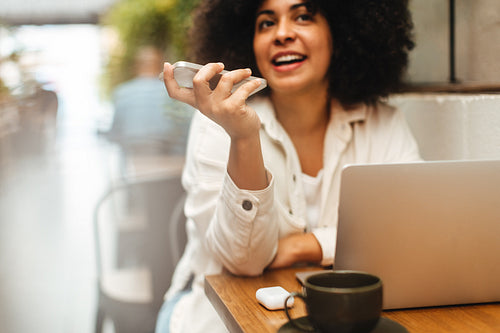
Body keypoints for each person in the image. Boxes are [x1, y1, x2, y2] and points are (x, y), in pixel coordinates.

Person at [156, 0, 421, 332]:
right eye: (266, 23)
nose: (282, 34)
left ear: (339, 32)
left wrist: (302, 246)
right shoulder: (218, 122)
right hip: (215, 318)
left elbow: (411, 233)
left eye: (303, 17)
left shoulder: (384, 123)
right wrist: (244, 139)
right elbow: (244, 261)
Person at [105, 45, 194, 156]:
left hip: (133, 163)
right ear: (161, 66)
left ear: (136, 66)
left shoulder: (121, 93)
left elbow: (115, 135)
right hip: (170, 162)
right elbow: (187, 130)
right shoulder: (176, 92)